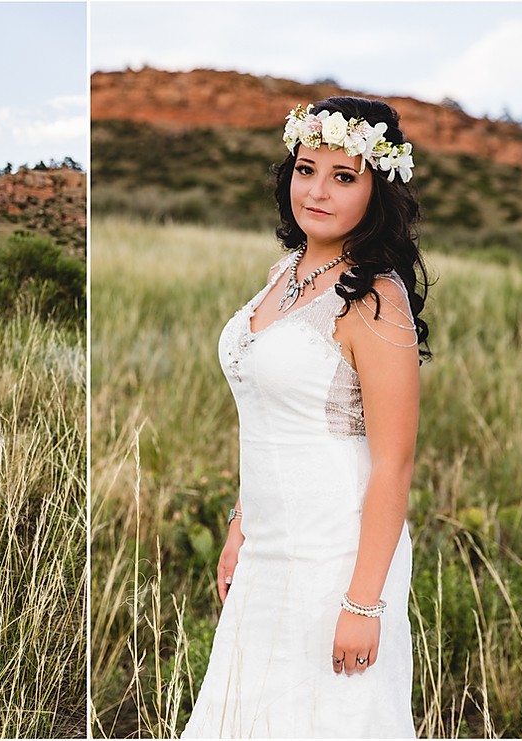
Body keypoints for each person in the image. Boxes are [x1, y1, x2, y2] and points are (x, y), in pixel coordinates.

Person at [182, 97, 428, 738]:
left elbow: (394, 462)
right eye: (305, 168)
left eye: (344, 177)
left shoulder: (375, 298)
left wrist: (363, 602)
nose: (317, 191)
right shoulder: (285, 273)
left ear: (377, 190)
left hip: (335, 551)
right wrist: (241, 523)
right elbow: (267, 420)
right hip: (269, 541)